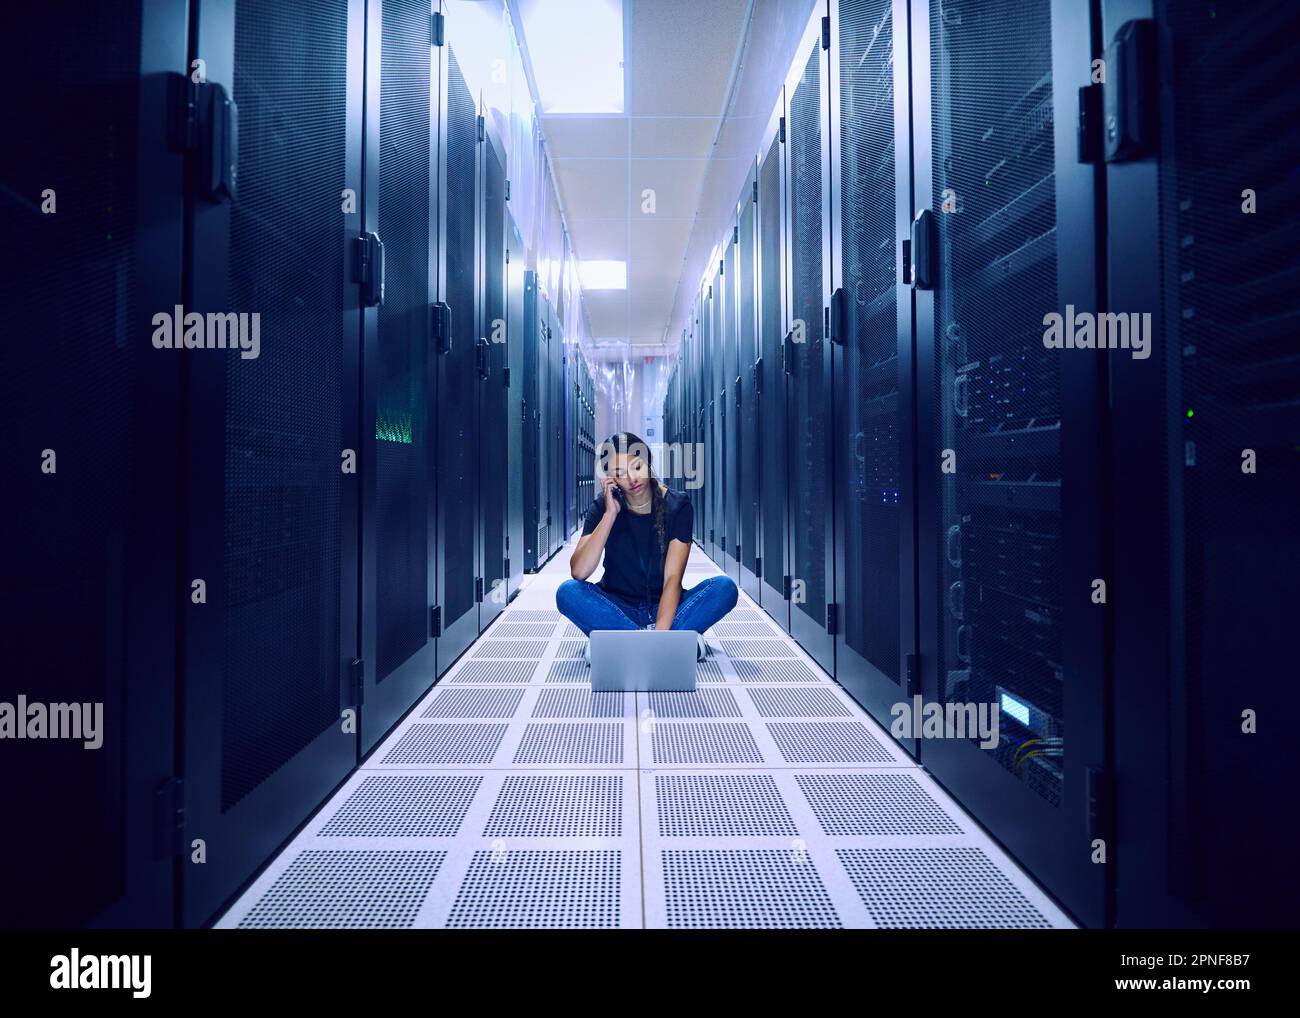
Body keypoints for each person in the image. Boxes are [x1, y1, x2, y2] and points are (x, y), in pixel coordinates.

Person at [557, 432, 737, 662]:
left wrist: (659, 637)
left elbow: (672, 579)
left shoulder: (677, 505)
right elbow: (579, 571)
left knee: (724, 588)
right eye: (620, 473)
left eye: (637, 466)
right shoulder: (603, 506)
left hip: (667, 606)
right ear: (610, 479)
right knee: (568, 592)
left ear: (648, 462)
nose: (632, 478)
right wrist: (610, 514)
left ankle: (621, 644)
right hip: (618, 606)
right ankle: (676, 643)